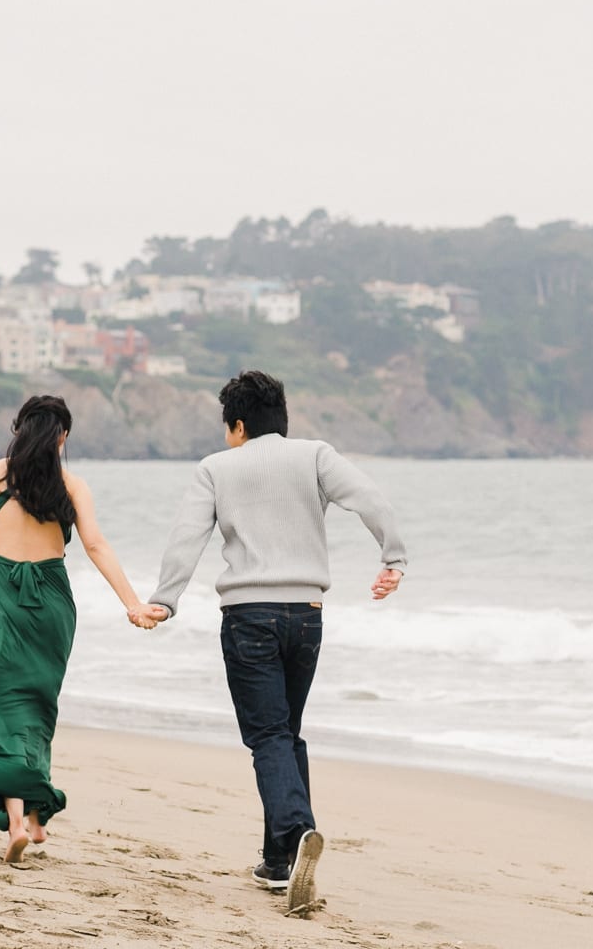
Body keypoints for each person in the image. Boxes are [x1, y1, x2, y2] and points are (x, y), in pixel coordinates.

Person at [139, 370, 407, 911]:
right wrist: (393, 558)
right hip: (307, 615)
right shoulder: (315, 455)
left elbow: (186, 536)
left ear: (237, 425)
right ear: (281, 419)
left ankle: (297, 829)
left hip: (248, 616)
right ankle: (278, 862)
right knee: (286, 733)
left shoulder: (215, 468)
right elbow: (371, 499)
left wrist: (165, 600)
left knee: (267, 737)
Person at [0, 394, 158, 863]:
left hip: (1, 594)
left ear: (18, 429)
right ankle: (33, 818)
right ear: (62, 437)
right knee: (34, 708)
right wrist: (133, 604)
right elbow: (97, 546)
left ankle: (18, 822)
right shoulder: (72, 485)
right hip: (52, 602)